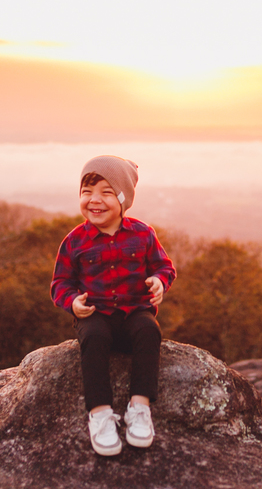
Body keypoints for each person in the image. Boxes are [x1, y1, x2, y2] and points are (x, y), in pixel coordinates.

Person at [50, 155, 176, 456]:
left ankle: (140, 408)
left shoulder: (143, 234)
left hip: (135, 311)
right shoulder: (74, 242)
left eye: (106, 192)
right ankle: (100, 413)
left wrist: (159, 282)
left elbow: (164, 268)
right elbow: (60, 284)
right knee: (94, 337)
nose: (95, 200)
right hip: (95, 315)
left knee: (149, 331)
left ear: (123, 199)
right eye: (87, 192)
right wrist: (72, 303)